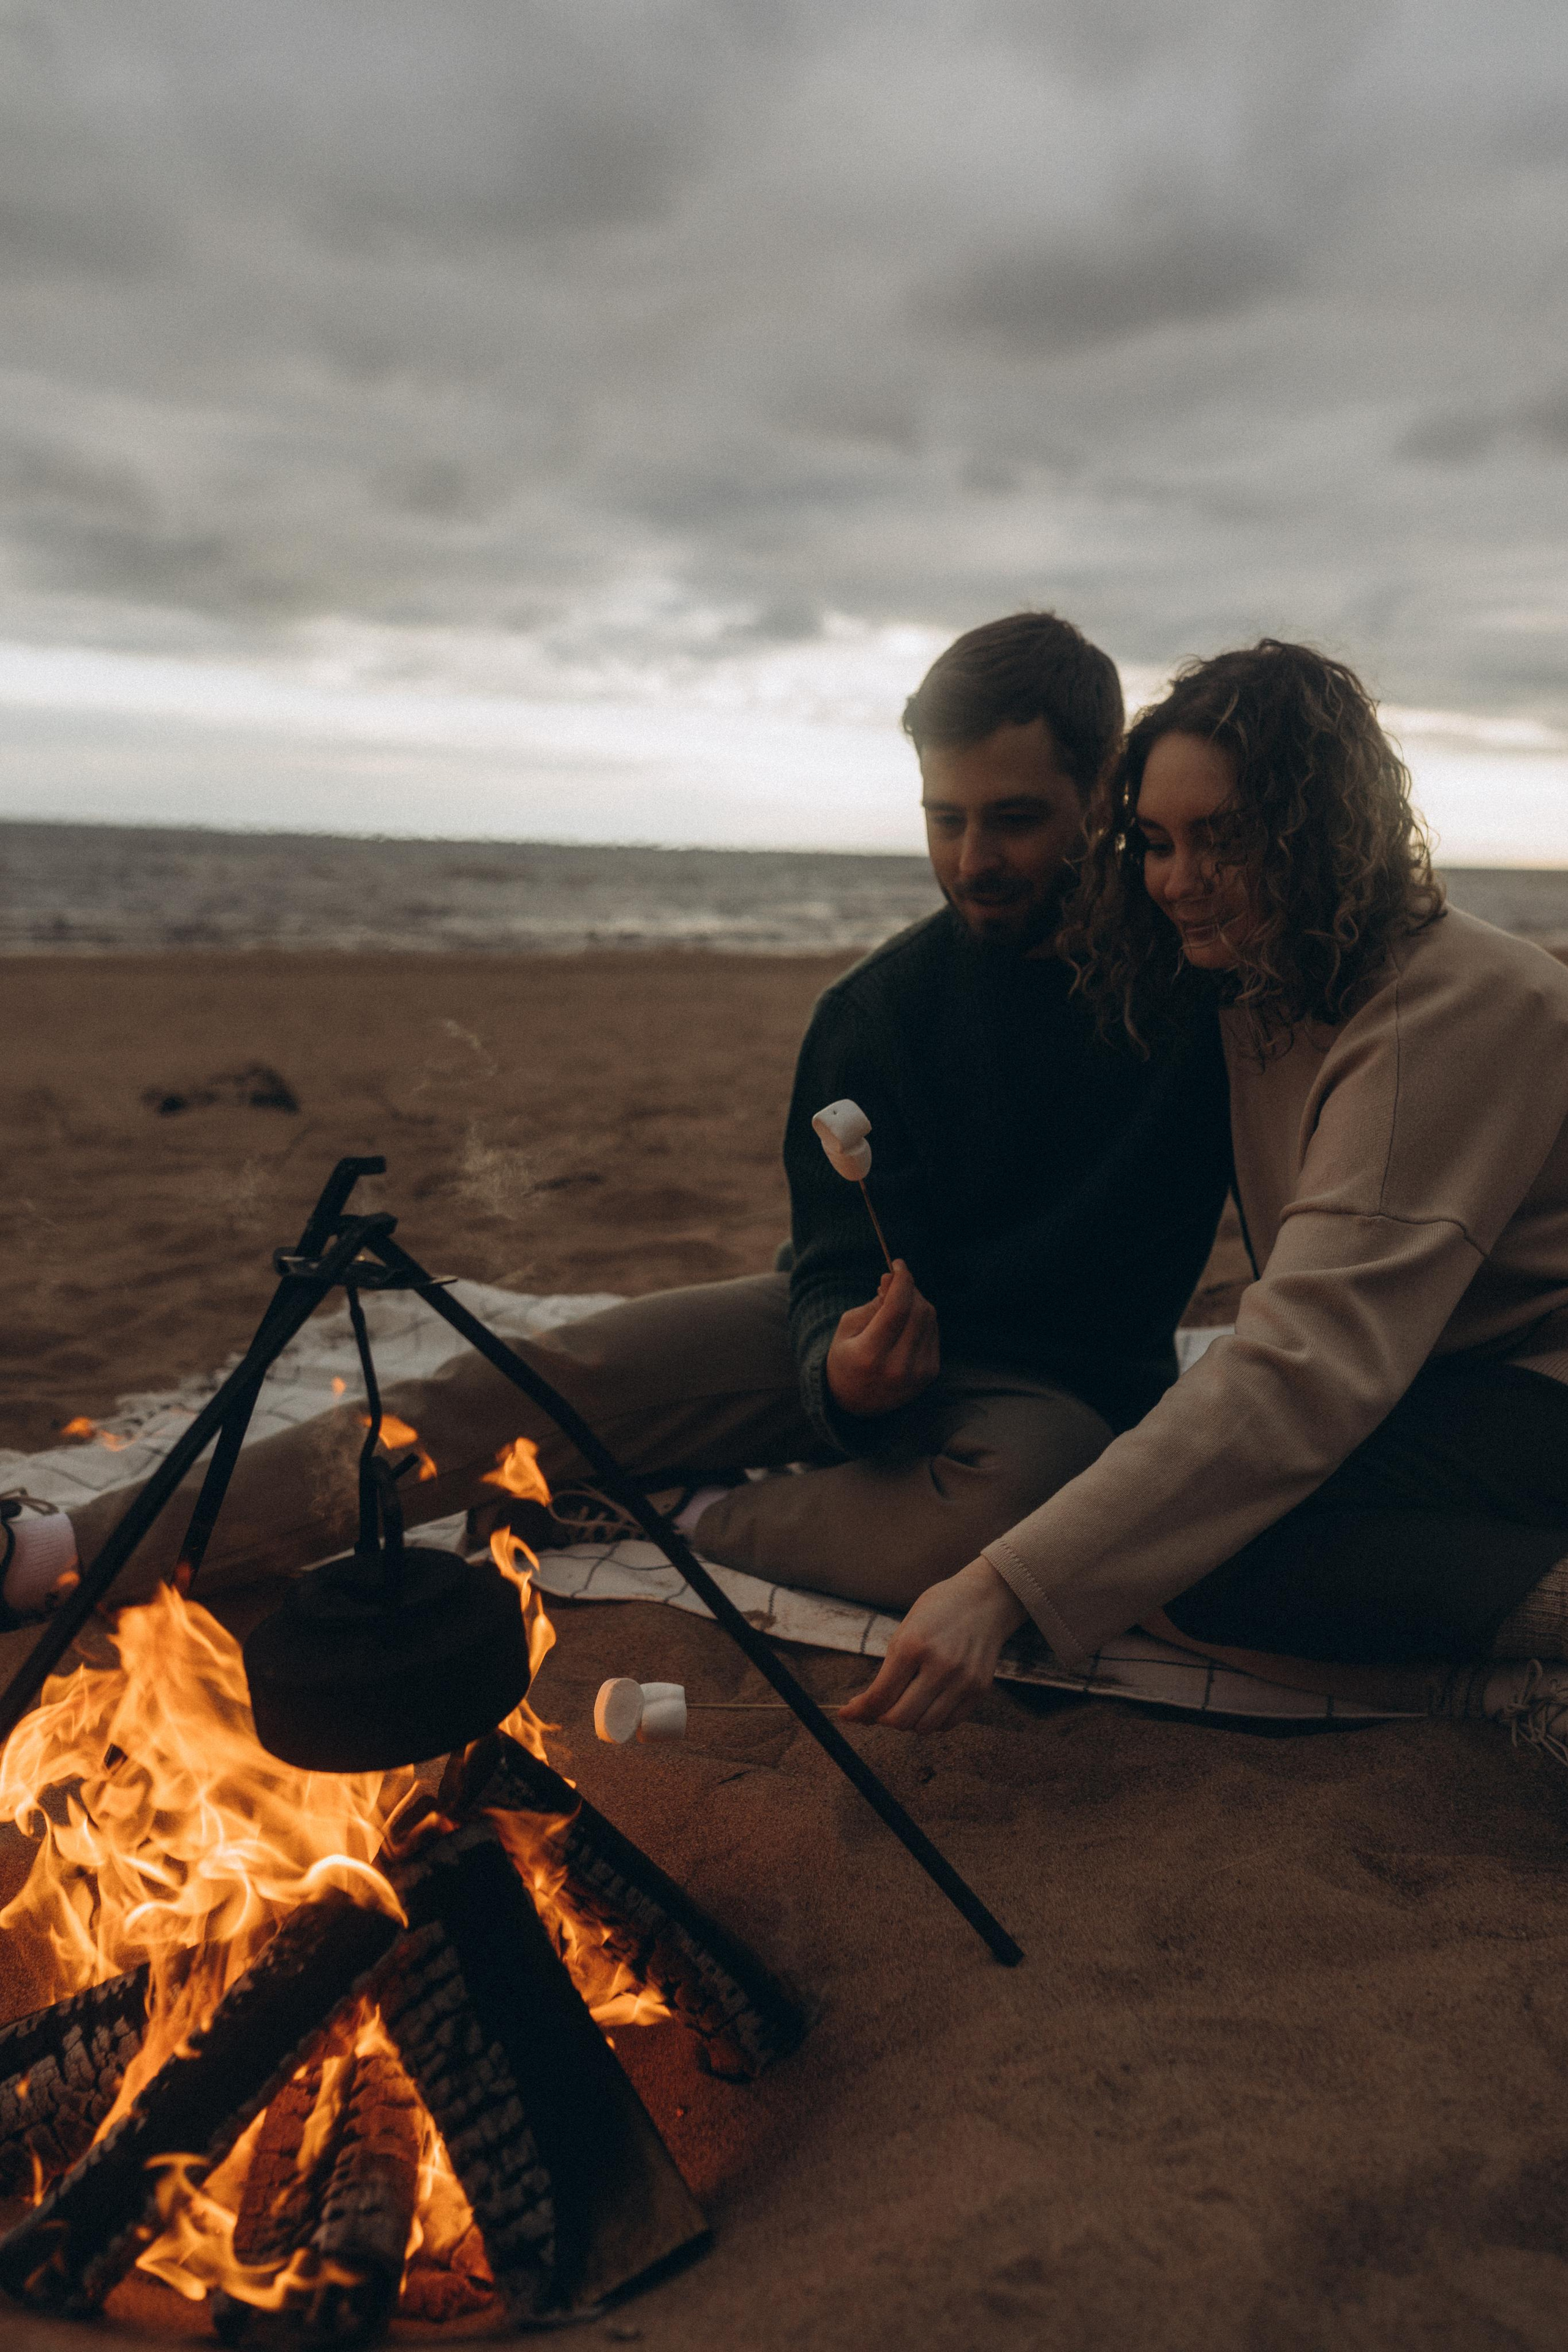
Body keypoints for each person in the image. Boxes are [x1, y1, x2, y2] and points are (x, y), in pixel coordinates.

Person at [9, 612, 1232, 1627]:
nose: (971, 860)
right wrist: (842, 1377)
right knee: (507, 1384)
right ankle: (61, 1549)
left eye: (1012, 818)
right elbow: (828, 1274)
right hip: (849, 1342)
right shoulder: (872, 1014)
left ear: (1102, 789)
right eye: (942, 818)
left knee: (1018, 1518)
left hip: (1051, 1396)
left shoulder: (1205, 986)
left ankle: (666, 1512)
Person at [841, 640, 1568, 1736]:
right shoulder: (1265, 982)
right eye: (1154, 842)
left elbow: (1304, 1365)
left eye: (1224, 840)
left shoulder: (1452, 1009)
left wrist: (998, 1586)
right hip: (1444, 1378)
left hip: (1534, 1383)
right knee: (1170, 1528)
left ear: (1321, 831)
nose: (1179, 880)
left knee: (1192, 1555)